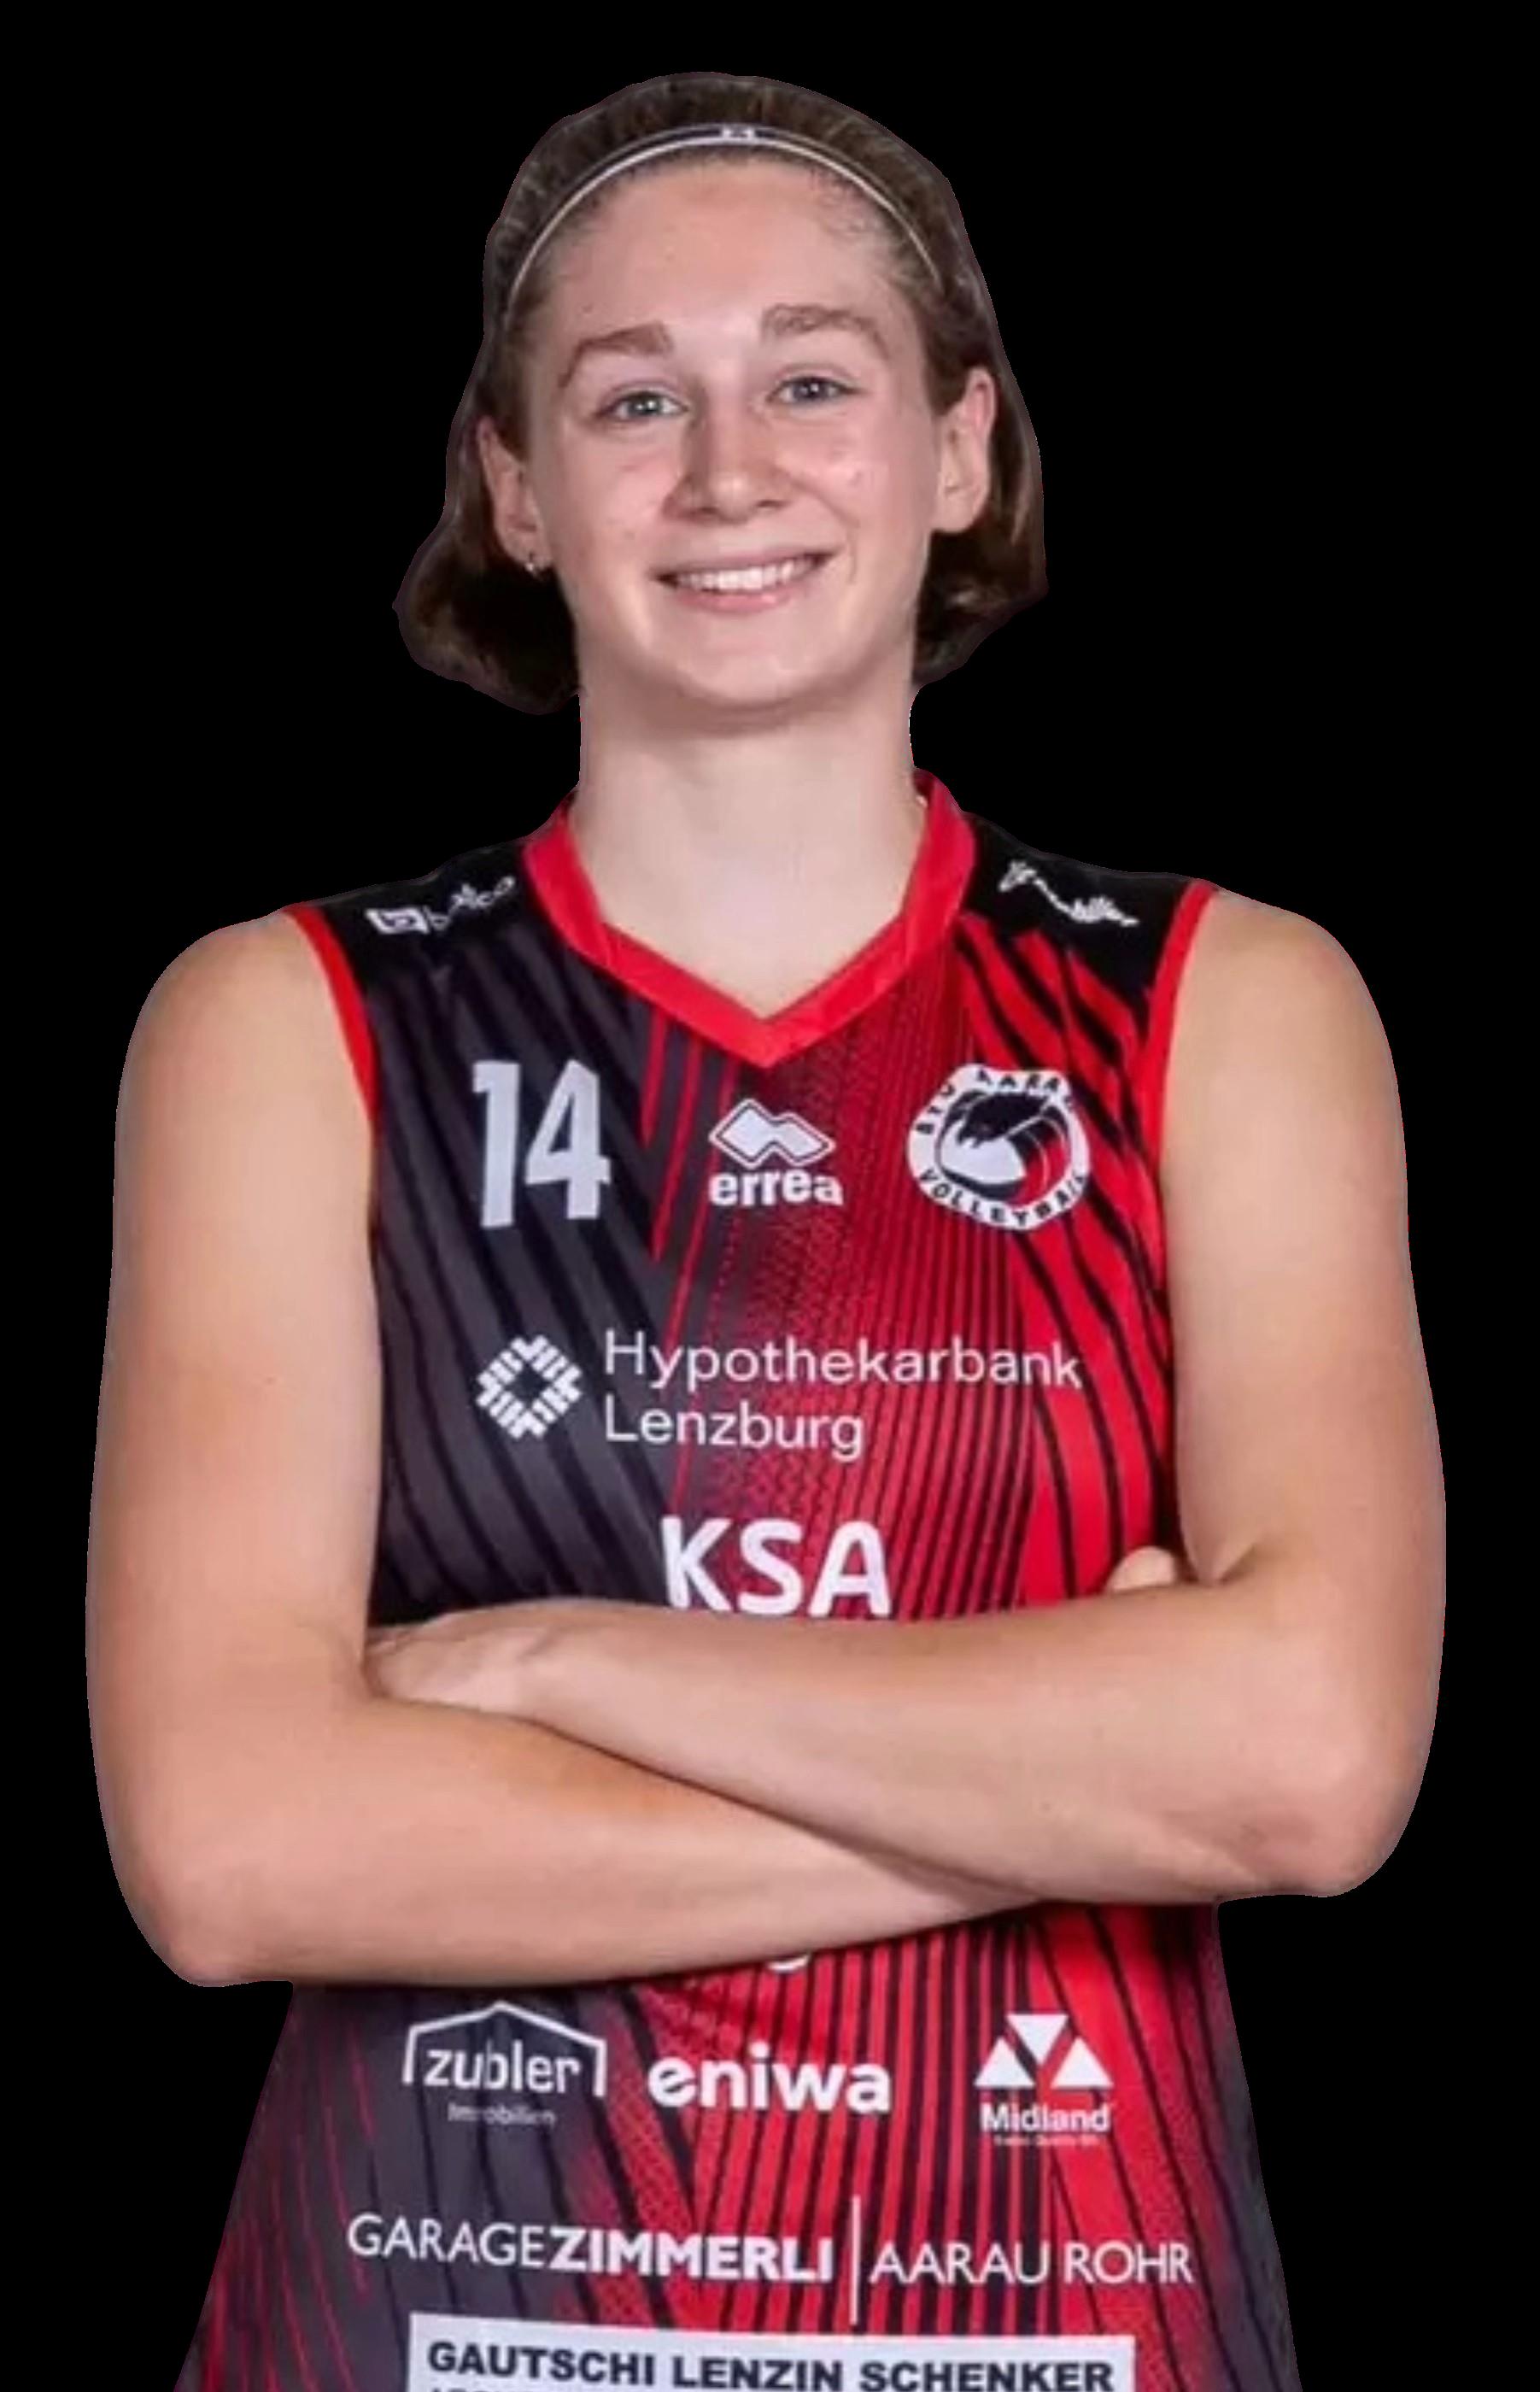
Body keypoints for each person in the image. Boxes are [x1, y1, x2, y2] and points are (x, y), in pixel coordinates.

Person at [86, 67, 1443, 2392]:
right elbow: (233, 1848)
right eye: (635, 399)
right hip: (431, 2328)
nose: (730, 472)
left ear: (959, 448)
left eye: (813, 379)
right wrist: (1092, 1783)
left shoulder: (1221, 1005)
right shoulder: (286, 1023)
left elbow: (1311, 1765)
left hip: (1058, 2333)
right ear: (515, 489)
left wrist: (548, 1664)